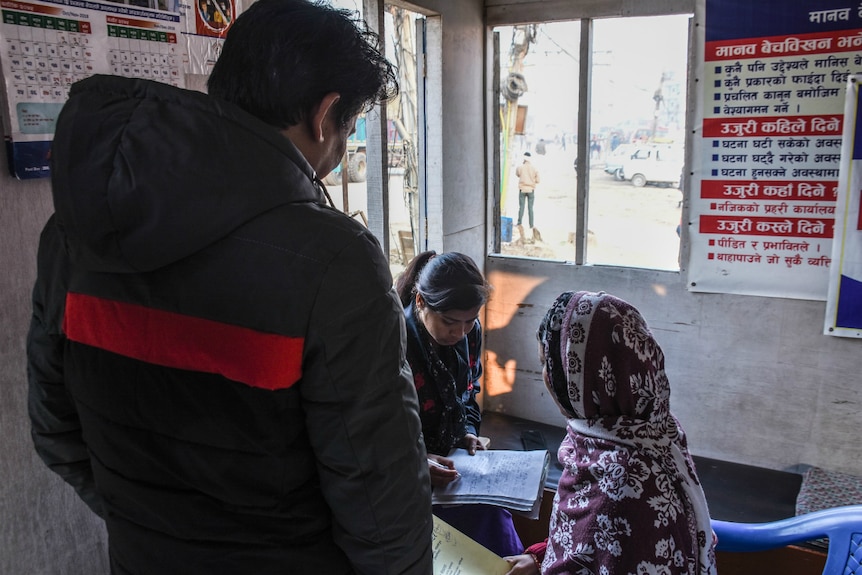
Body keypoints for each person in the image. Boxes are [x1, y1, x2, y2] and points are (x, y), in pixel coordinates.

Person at [26, 1, 433, 573]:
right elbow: (380, 503)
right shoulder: (333, 260)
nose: (339, 152)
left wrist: (157, 531)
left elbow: (55, 432)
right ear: (325, 115)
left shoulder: (70, 235)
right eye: (349, 128)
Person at [503, 291, 716, 575]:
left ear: (581, 378)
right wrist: (542, 556)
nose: (545, 377)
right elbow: (591, 549)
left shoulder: (619, 484)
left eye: (547, 364)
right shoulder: (652, 430)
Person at [395, 251, 524, 558]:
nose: (460, 332)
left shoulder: (469, 334)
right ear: (421, 302)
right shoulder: (395, 340)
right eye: (450, 321)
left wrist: (467, 431)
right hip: (407, 472)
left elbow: (469, 393)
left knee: (493, 515)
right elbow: (376, 424)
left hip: (455, 466)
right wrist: (416, 460)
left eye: (470, 321)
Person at [516, 152, 541, 242]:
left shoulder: (520, 167)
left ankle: (519, 222)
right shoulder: (534, 168)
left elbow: (517, 174)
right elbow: (538, 180)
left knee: (521, 207)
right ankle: (531, 224)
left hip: (522, 189)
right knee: (530, 208)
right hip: (531, 190)